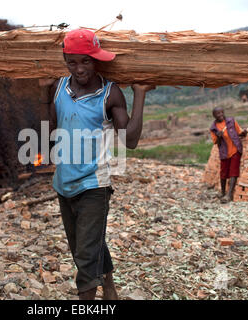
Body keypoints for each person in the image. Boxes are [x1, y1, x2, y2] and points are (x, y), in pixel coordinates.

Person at [39, 28, 155, 300]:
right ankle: (110, 288)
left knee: (84, 257)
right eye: (72, 62)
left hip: (95, 184)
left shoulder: (110, 93)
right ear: (65, 60)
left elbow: (131, 141)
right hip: (63, 184)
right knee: (88, 244)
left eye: (86, 61)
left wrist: (139, 94)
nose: (79, 69)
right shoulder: (58, 88)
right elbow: (48, 137)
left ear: (97, 59)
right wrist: (43, 95)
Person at [209, 107, 247, 203]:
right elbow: (215, 142)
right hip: (224, 152)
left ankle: (229, 195)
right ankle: (222, 192)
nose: (221, 115)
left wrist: (244, 133)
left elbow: (239, 132)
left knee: (233, 172)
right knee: (224, 172)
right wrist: (218, 137)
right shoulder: (213, 128)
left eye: (222, 112)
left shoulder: (231, 121)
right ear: (214, 116)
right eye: (218, 114)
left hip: (235, 150)